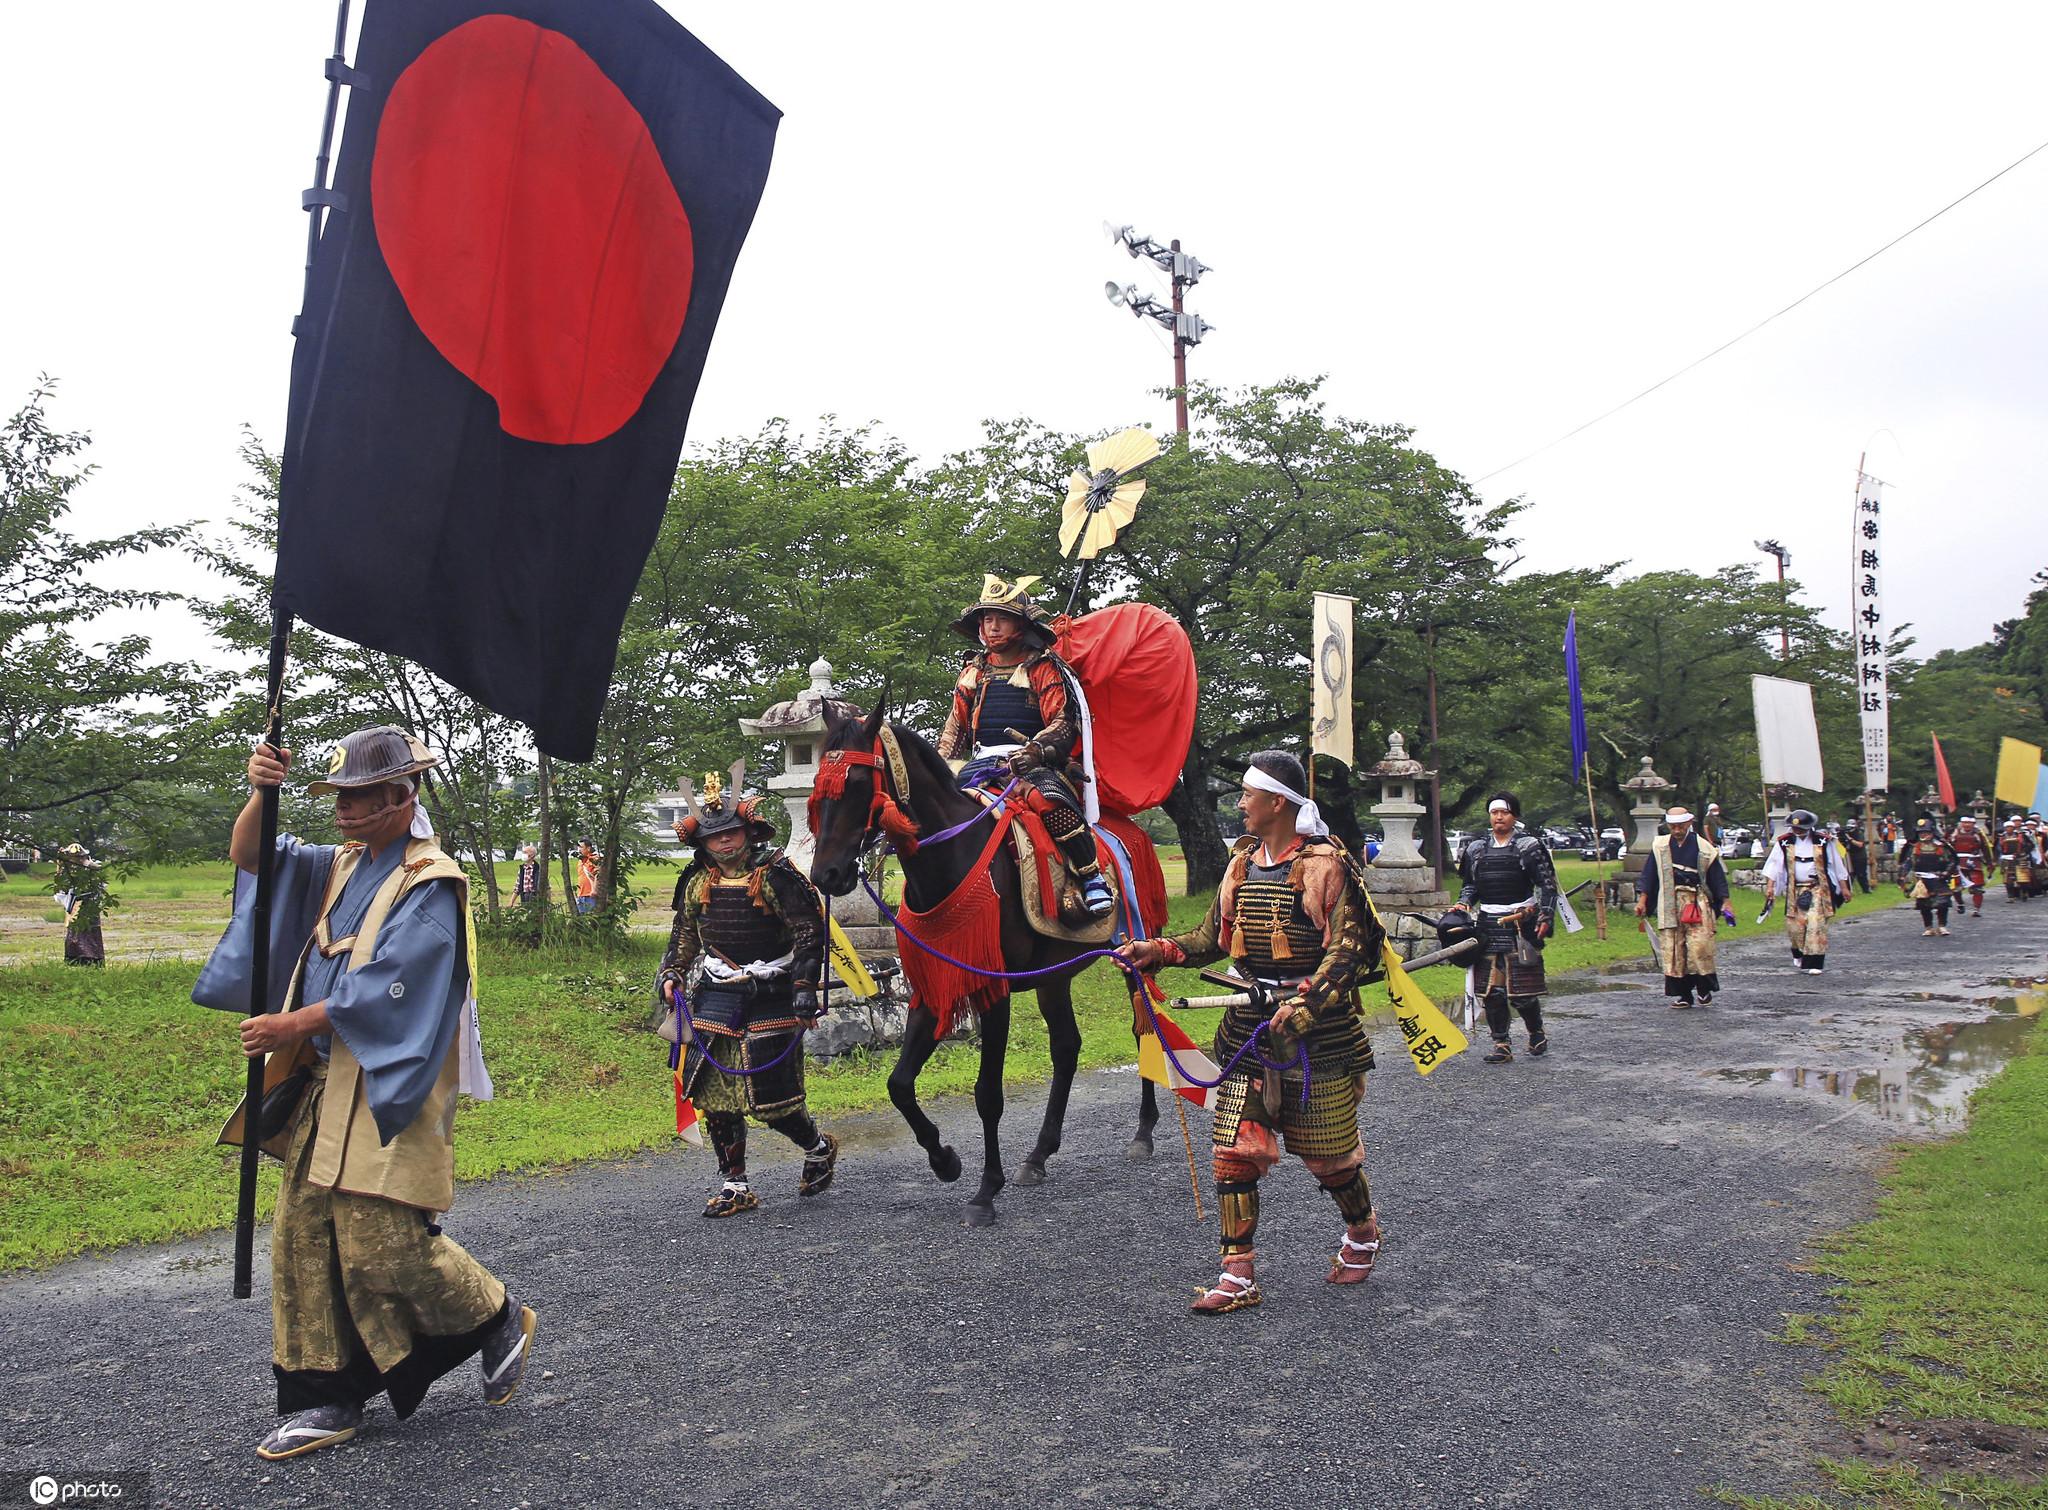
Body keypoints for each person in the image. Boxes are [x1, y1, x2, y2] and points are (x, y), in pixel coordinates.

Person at [202, 727, 532, 1462]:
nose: (344, 811)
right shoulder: (343, 865)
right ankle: (323, 1395)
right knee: (302, 1241)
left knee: (381, 1244)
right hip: (320, 1083)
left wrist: (291, 1020)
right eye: (338, 797)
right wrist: (265, 790)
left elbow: (395, 984)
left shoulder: (430, 880)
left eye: (358, 797)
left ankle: (495, 1312)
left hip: (385, 1082)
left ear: (401, 796)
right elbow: (253, 856)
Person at [1116, 750, 1384, 1314]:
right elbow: (1214, 936)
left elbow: (1350, 951)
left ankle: (1361, 1231)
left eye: (1247, 795)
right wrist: (1159, 951)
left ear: (1277, 802)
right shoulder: (1240, 862)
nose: (1239, 804)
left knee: (1330, 1158)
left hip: (1318, 1033)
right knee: (1232, 1153)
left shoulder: (1327, 865)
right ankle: (1238, 1274)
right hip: (1247, 1026)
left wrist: (1307, 1007)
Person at [657, 768, 838, 1217]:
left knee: (773, 1100)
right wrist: (672, 972)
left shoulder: (776, 875)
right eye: (716, 838)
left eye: (732, 833)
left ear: (748, 832)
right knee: (713, 1094)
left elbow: (808, 933)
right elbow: (684, 934)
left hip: (772, 990)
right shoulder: (698, 880)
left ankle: (816, 1147)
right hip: (717, 991)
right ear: (703, 843)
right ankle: (735, 1184)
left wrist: (803, 988)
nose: (725, 843)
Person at [937, 573, 1112, 917]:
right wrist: (939, 765)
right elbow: (955, 728)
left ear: (1020, 624)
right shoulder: (974, 670)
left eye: (1002, 618)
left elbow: (1064, 723)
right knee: (935, 808)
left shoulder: (1043, 668)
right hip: (980, 764)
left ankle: (1091, 876)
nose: (993, 627)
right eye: (988, 619)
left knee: (1050, 803)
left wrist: (1034, 751)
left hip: (1034, 765)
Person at [1446, 791, 1557, 1062]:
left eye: (1504, 812)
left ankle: (1536, 1032)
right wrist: (1463, 904)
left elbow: (1547, 884)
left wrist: (1544, 914)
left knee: (1522, 992)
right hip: (1487, 925)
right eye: (1494, 813)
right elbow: (1470, 885)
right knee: (1492, 991)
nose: (1498, 817)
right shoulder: (1476, 849)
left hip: (1521, 925)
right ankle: (1501, 1044)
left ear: (1514, 816)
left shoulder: (1529, 846)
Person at [1635, 805, 1731, 1008]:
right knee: (1674, 949)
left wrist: (1725, 902)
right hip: (1670, 901)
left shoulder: (1704, 848)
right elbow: (1649, 875)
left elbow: (1717, 878)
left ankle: (1704, 989)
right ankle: (1683, 994)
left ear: (1689, 823)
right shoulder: (1660, 846)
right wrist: (1643, 900)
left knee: (1699, 946)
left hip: (1696, 900)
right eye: (1672, 827)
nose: (1676, 831)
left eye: (1680, 826)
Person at [1760, 809, 1850, 973]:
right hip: (1795, 890)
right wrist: (1771, 886)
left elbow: (1836, 865)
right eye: (1795, 829)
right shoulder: (1785, 842)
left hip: (1817, 889)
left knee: (1816, 923)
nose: (1798, 832)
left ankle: (1815, 962)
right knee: (1796, 927)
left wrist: (1844, 887)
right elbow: (1774, 865)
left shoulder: (1823, 841)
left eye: (1801, 829)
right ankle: (1798, 951)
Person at [51, 842, 109, 966]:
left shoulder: (92, 869)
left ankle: (93, 962)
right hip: (74, 908)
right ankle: (75, 962)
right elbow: (60, 892)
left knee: (90, 937)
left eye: (78, 857)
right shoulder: (65, 873)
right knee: (73, 938)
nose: (76, 860)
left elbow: (100, 887)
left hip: (89, 907)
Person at [1901, 818, 1959, 936]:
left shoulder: (1942, 847)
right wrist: (1902, 876)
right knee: (1924, 905)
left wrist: (1946, 873)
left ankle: (1942, 926)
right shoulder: (1914, 847)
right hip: (1922, 880)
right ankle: (1928, 927)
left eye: (1926, 832)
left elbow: (1953, 861)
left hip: (1939, 878)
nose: (1924, 835)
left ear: (1932, 833)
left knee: (1943, 903)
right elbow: (1908, 862)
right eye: (1921, 833)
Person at [1947, 815, 1990, 920]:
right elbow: (1946, 846)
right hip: (1957, 862)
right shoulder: (1953, 833)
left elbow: (1985, 848)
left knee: (1977, 888)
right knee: (1955, 887)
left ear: (1973, 824)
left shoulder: (1978, 834)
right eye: (1964, 822)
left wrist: (1990, 862)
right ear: (1961, 823)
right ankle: (1960, 904)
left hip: (1973, 862)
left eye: (1969, 823)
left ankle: (1977, 909)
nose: (1967, 825)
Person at [1998, 817, 2030, 903]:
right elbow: (1997, 848)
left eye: (2010, 827)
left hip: (2020, 858)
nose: (2009, 829)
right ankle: (2010, 897)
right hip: (2007, 859)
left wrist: (2024, 852)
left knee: (2023, 879)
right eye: (2007, 827)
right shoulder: (2001, 837)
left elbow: (2030, 845)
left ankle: (2024, 892)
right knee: (2008, 880)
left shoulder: (2021, 835)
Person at [1839, 820, 1872, 894]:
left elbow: (1860, 844)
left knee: (1861, 874)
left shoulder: (1859, 832)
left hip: (1860, 857)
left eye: (1852, 828)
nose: (1850, 829)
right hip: (1851, 856)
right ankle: (1848, 890)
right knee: (1850, 874)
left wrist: (1849, 838)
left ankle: (1866, 890)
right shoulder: (1847, 833)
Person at [574, 841, 599, 915]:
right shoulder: (580, 861)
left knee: (591, 917)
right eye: (578, 847)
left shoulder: (594, 859)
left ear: (588, 848)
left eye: (581, 847)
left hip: (590, 895)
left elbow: (598, 874)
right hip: (580, 895)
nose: (579, 849)